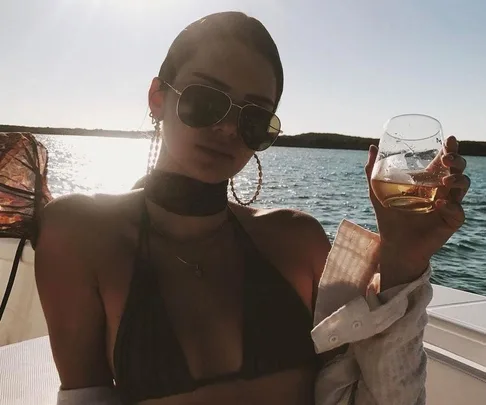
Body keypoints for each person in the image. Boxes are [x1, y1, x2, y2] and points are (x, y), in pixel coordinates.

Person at [34, 11, 470, 405]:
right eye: (205, 100)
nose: (226, 128)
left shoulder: (297, 240)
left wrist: (403, 258)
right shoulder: (78, 234)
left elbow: (377, 392)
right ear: (157, 98)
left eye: (254, 118)